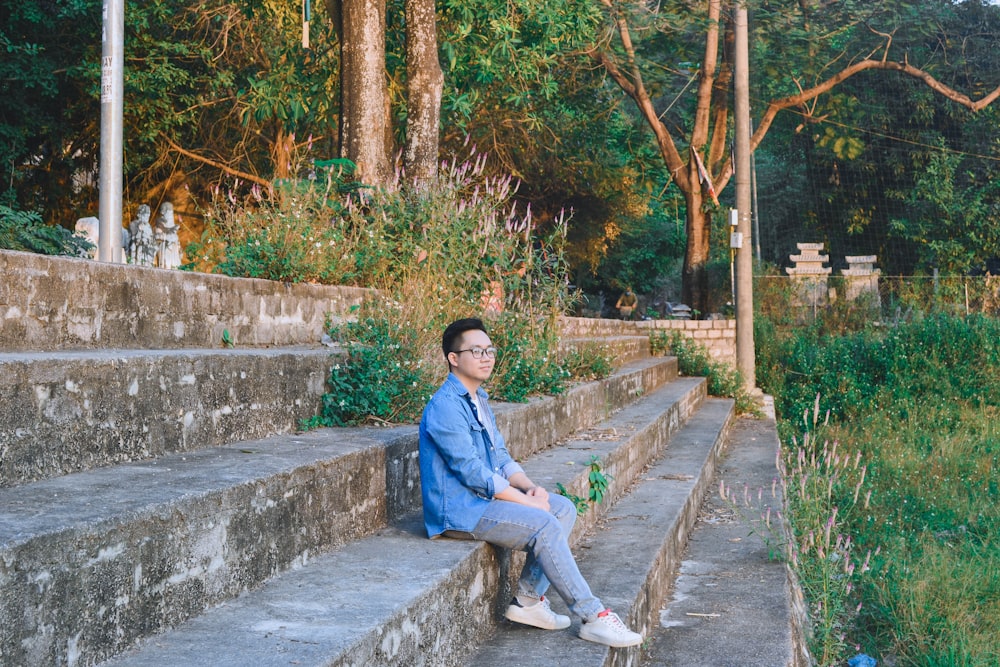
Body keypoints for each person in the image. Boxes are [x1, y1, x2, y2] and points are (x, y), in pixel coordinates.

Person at [418, 318, 643, 648]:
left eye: (490, 350)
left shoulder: (478, 400)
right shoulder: (445, 407)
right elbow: (472, 473)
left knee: (562, 507)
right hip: (460, 510)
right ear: (454, 358)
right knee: (543, 524)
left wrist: (529, 487)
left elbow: (501, 458)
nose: (487, 356)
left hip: (483, 501)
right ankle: (594, 616)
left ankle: (527, 602)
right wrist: (528, 504)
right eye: (476, 350)